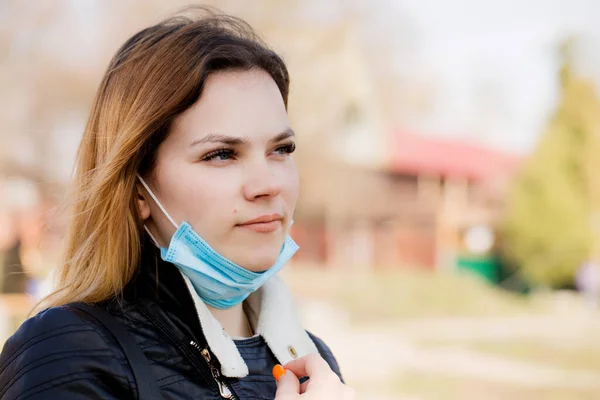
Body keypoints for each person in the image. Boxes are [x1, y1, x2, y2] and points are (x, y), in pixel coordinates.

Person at [0, 7, 354, 400]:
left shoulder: (314, 364)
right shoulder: (67, 355)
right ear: (137, 191)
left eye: (281, 149)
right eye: (221, 154)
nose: (268, 184)